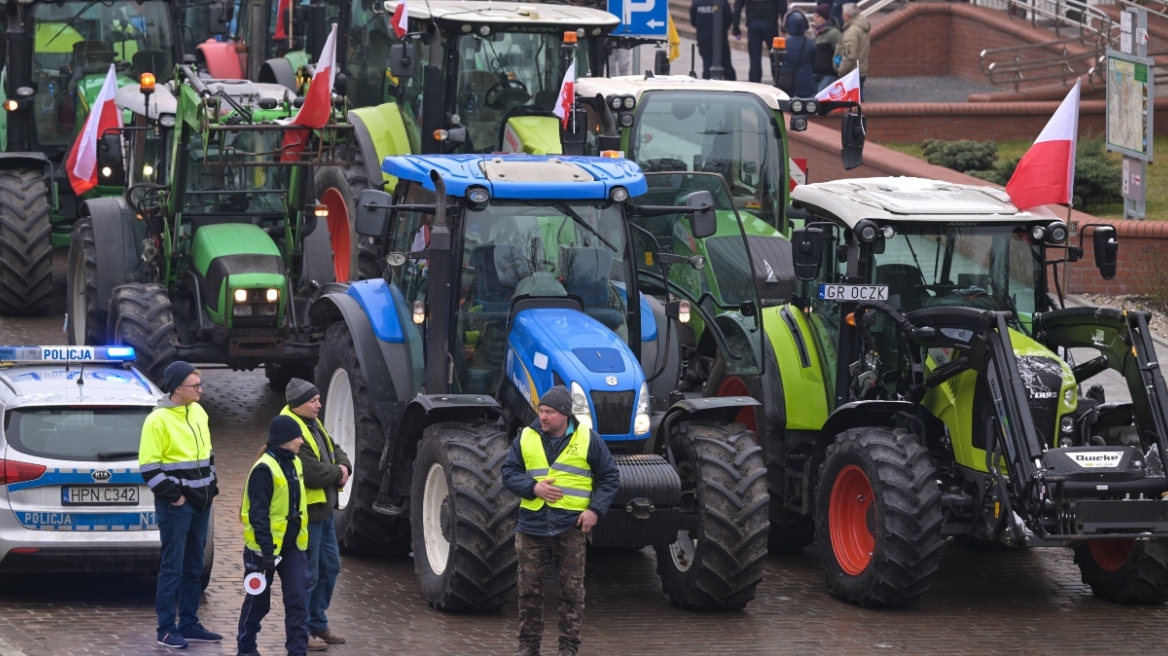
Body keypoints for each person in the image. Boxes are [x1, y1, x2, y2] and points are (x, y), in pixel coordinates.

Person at [501, 386, 620, 656]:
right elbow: (508, 473)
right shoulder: (526, 437)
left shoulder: (589, 439)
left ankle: (568, 648)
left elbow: (610, 476)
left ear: (565, 414)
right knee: (528, 591)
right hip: (531, 527)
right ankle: (528, 647)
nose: (543, 417)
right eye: (541, 411)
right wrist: (534, 488)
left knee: (572, 593)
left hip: (571, 527)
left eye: (549, 412)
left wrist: (595, 511)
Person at [139, 361, 221, 649]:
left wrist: (212, 488)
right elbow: (149, 468)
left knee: (194, 565)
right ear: (176, 389)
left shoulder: (198, 411)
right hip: (176, 506)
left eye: (200, 384)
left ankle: (189, 623)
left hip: (201, 503)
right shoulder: (157, 420)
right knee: (173, 566)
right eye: (194, 385)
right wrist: (176, 496)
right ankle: (165, 628)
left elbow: (207, 455)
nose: (200, 390)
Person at [282, 378, 352, 650]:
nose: (319, 405)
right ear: (299, 404)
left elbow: (335, 449)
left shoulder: (312, 423)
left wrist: (344, 465)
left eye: (319, 399)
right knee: (307, 575)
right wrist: (339, 474)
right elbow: (311, 473)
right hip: (307, 516)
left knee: (330, 568)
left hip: (324, 513)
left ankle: (318, 623)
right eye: (313, 401)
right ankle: (302, 631)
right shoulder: (290, 428)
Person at [236, 416, 311, 656]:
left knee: (297, 602)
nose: (301, 440)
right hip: (263, 551)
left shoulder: (295, 463)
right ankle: (246, 649)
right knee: (258, 603)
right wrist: (267, 551)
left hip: (292, 548)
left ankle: (297, 652)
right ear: (285, 440)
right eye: (297, 436)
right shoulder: (264, 469)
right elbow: (258, 514)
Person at [731, 0, 786, 83]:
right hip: (770, 24)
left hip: (753, 23)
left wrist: (736, 29)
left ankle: (754, 83)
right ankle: (778, 81)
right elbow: (782, 6)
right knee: (775, 56)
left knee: (754, 58)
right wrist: (784, 27)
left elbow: (737, 6)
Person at [690, 0, 737, 81]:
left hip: (704, 37)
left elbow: (693, 21)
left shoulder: (697, 2)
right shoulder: (722, 2)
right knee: (726, 63)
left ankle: (708, 84)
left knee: (707, 63)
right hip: (720, 37)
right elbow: (728, 18)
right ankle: (732, 83)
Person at [778, 11, 816, 98]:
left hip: (787, 84)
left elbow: (777, 62)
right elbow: (813, 62)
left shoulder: (783, 43)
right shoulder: (810, 43)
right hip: (807, 84)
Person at [835, 2, 870, 93]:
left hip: (851, 72)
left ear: (847, 16)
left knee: (851, 104)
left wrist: (841, 71)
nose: (841, 15)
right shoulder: (861, 28)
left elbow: (849, 56)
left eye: (842, 13)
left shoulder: (851, 32)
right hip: (860, 70)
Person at [812, 4, 841, 91]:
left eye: (818, 16)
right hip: (816, 72)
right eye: (814, 16)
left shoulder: (834, 34)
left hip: (828, 74)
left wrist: (837, 67)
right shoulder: (816, 32)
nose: (814, 19)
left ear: (824, 18)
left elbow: (840, 52)